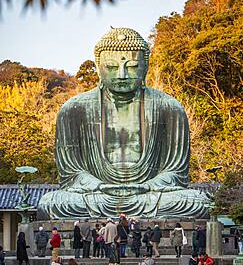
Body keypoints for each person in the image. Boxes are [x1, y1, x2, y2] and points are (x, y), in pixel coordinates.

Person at [38, 27, 210, 220]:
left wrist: (148, 186)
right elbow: (72, 173)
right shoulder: (74, 109)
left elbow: (175, 171)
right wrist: (98, 185)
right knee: (51, 203)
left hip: (150, 193)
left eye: (132, 66)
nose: (122, 74)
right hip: (97, 194)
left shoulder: (169, 107)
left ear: (145, 66)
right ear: (98, 67)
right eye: (111, 67)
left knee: (196, 202)